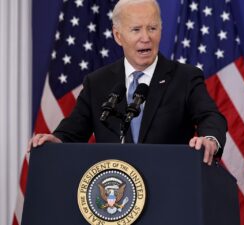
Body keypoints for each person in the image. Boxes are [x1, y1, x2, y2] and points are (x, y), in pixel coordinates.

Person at [28, 0, 227, 165]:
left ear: (161, 30)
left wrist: (210, 140)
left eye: (152, 28)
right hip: (115, 196)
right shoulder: (98, 82)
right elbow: (72, 131)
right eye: (136, 29)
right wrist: (57, 140)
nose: (146, 38)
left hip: (170, 188)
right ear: (118, 35)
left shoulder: (185, 77)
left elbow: (210, 116)